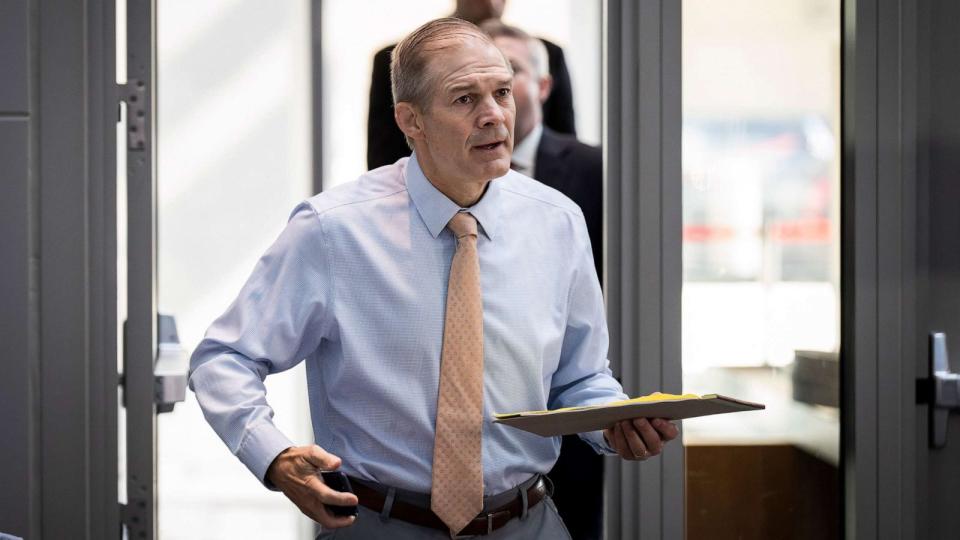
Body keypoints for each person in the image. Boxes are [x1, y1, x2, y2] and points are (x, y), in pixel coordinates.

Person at [189, 17, 678, 539]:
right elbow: (225, 358)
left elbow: (580, 378)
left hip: (529, 523)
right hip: (380, 523)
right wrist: (276, 458)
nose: (494, 116)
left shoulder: (557, 221)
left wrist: (613, 424)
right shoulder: (332, 231)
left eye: (503, 92)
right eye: (465, 99)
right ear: (411, 121)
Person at [482, 20, 605, 539]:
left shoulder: (594, 176)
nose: (491, 105)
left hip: (572, 414)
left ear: (542, 86)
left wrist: (607, 410)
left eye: (508, 79)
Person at [367, 0, 577, 170]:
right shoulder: (403, 60)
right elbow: (384, 157)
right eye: (464, 97)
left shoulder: (544, 52)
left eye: (503, 91)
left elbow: (565, 147)